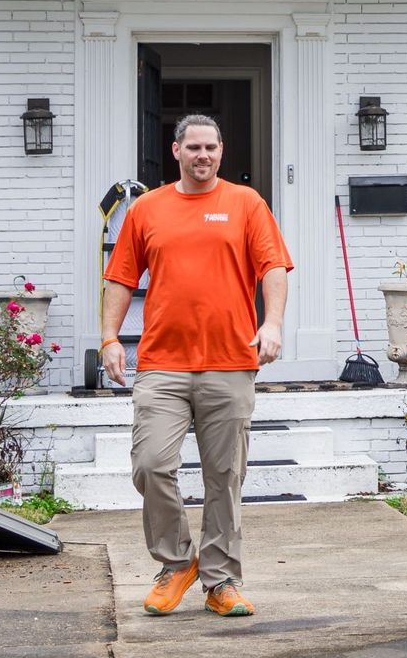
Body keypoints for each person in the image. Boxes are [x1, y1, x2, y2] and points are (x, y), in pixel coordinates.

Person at [101, 113, 292, 618]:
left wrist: (271, 324)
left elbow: (272, 266)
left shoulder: (246, 204)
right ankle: (176, 563)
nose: (203, 156)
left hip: (229, 362)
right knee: (151, 466)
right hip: (162, 362)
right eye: (194, 148)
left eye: (211, 147)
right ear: (176, 151)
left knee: (224, 476)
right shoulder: (148, 209)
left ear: (221, 152)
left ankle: (221, 582)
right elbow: (120, 277)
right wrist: (109, 339)